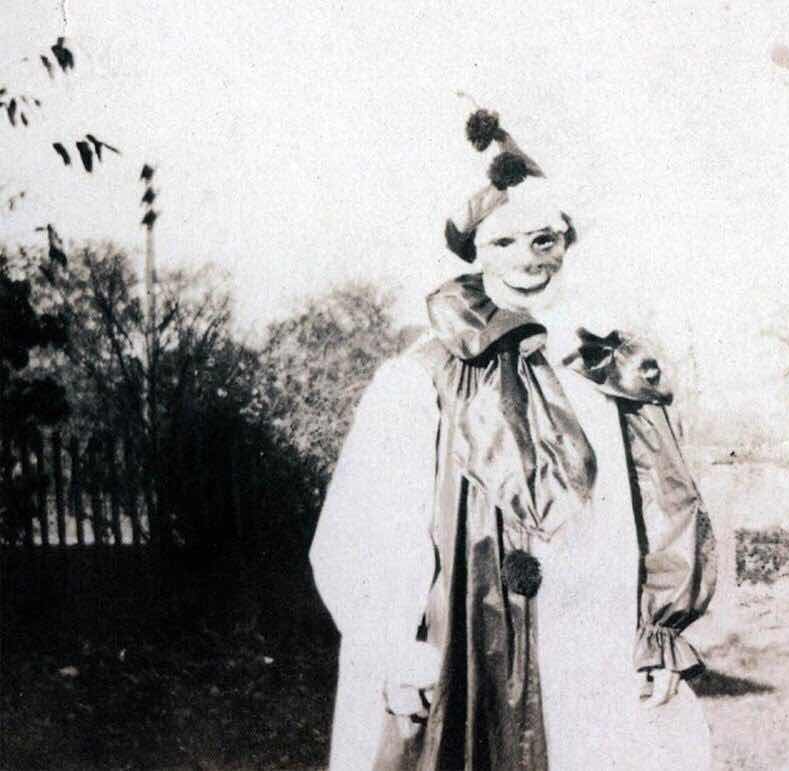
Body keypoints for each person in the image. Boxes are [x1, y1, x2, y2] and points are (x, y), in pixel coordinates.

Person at [310, 105, 717, 770]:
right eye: (504, 243)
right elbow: (371, 525)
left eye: (544, 241)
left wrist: (657, 632)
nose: (528, 261)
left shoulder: (605, 369)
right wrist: (392, 643)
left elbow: (662, 507)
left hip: (595, 652)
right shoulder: (423, 377)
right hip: (476, 647)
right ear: (476, 250)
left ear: (566, 244)